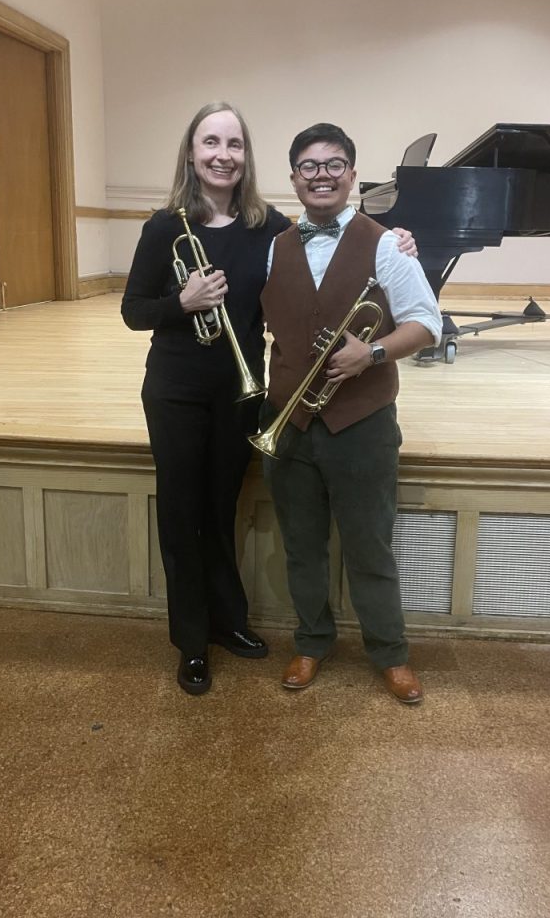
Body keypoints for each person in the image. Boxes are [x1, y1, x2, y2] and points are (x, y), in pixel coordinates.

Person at [122, 103, 419, 697]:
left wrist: (400, 240)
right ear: (192, 153)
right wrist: (182, 303)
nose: (222, 155)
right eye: (210, 142)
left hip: (239, 391)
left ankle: (228, 621)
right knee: (181, 514)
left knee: (222, 509)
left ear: (247, 156)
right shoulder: (164, 227)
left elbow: (330, 246)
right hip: (176, 390)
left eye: (233, 144)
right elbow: (134, 311)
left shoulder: (269, 229)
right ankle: (192, 641)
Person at [259, 122, 443, 705]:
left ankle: (390, 653)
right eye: (309, 166)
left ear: (352, 175)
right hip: (289, 420)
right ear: (294, 178)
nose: (322, 176)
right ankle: (311, 642)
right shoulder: (275, 246)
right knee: (301, 546)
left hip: (361, 423)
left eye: (334, 164)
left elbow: (427, 323)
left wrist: (374, 353)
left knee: (370, 547)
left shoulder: (386, 243)